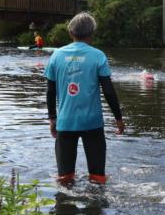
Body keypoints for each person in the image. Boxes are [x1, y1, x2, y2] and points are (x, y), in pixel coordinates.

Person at [45, 12, 125, 187]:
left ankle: (65, 210)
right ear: (92, 33)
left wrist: (52, 119)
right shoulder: (98, 56)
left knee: (65, 180)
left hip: (65, 123)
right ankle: (96, 210)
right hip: (92, 124)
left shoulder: (57, 55)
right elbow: (109, 91)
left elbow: (50, 91)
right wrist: (118, 119)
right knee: (98, 179)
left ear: (70, 32)